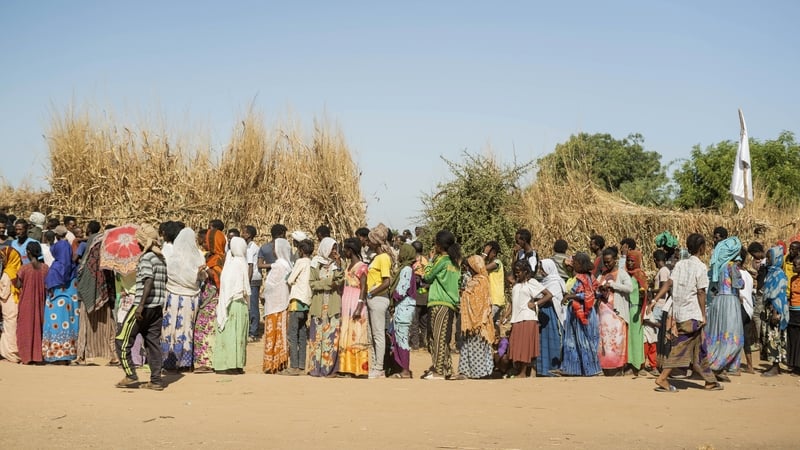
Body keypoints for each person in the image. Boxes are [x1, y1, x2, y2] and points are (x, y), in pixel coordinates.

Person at [652, 233, 722, 392]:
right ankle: (662, 378)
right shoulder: (701, 267)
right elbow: (701, 292)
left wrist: (654, 299)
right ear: (702, 248)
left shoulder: (680, 265)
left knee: (700, 348)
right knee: (681, 347)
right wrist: (703, 314)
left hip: (680, 313)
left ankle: (710, 380)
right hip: (693, 315)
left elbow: (669, 283)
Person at [116, 223, 167, 390]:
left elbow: (148, 280)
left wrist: (140, 306)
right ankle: (156, 380)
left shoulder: (146, 258)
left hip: (142, 307)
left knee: (122, 340)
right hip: (157, 307)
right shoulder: (161, 258)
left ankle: (130, 374)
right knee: (153, 343)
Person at [162, 228, 205, 371]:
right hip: (190, 298)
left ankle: (169, 361)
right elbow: (201, 277)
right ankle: (185, 363)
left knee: (171, 328)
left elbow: (167, 274)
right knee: (187, 327)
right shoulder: (199, 255)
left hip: (172, 296)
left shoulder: (172, 256)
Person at [75, 221, 117, 365]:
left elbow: (82, 265)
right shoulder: (108, 249)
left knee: (87, 322)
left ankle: (83, 355)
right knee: (108, 323)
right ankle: (112, 354)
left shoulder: (94, 243)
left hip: (93, 285)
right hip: (103, 287)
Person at [422, 230, 461, 380]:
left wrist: (430, 261)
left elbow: (428, 276)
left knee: (437, 337)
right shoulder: (455, 263)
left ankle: (438, 371)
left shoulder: (442, 260)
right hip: (450, 303)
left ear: (439, 245)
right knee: (443, 337)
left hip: (438, 302)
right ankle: (447, 368)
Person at [704, 237, 744, 381]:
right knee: (733, 334)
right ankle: (719, 365)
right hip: (730, 301)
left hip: (718, 301)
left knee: (719, 332)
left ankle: (718, 363)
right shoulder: (732, 266)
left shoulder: (718, 266)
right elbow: (739, 284)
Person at [450, 255, 494, 379]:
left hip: (478, 321)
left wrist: (465, 293)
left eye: (469, 266)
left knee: (477, 346)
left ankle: (479, 373)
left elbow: (479, 302)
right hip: (471, 320)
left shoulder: (480, 281)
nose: (468, 269)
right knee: (468, 345)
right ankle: (466, 372)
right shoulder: (479, 280)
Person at [559, 252, 601, 376]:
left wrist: (571, 296)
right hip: (576, 313)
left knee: (583, 341)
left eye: (576, 262)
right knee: (574, 340)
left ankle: (589, 370)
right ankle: (575, 369)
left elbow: (589, 295)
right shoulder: (587, 277)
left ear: (581, 264)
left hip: (583, 313)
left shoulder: (583, 278)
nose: (573, 264)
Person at [508, 259, 552, 377]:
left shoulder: (532, 282)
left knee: (525, 346)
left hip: (527, 317)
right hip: (516, 318)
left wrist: (536, 304)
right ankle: (524, 371)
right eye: (515, 272)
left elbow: (548, 295)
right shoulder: (516, 285)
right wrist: (506, 316)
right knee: (517, 345)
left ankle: (522, 372)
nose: (517, 274)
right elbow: (513, 302)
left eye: (519, 272)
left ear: (526, 271)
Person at [307, 237, 344, 377]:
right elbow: (312, 283)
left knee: (330, 338)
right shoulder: (315, 263)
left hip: (332, 306)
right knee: (317, 339)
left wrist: (339, 264)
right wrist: (328, 283)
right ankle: (315, 368)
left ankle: (328, 369)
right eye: (332, 248)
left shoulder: (338, 264)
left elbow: (340, 281)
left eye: (335, 248)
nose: (334, 251)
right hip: (318, 306)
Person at [43, 226, 79, 364]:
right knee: (70, 321)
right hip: (69, 297)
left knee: (57, 322)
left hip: (58, 305)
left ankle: (59, 355)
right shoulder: (71, 269)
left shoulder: (56, 269)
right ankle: (69, 353)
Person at [213, 236, 250, 374]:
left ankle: (229, 364)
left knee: (232, 334)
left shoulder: (233, 262)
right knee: (236, 335)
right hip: (236, 303)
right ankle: (232, 365)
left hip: (232, 302)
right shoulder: (239, 263)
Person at [193, 227, 226, 374]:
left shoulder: (219, 258)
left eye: (207, 240)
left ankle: (207, 362)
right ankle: (202, 360)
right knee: (202, 328)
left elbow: (217, 276)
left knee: (207, 329)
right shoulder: (210, 257)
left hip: (213, 299)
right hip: (207, 297)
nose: (204, 242)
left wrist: (207, 270)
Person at [596, 246, 632, 375]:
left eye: (609, 261)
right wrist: (600, 290)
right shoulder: (602, 274)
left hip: (616, 314)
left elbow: (629, 288)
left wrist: (612, 285)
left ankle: (618, 367)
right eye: (605, 262)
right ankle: (605, 367)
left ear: (615, 260)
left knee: (616, 341)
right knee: (605, 342)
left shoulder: (622, 273)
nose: (607, 264)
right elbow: (596, 287)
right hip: (603, 314)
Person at [365, 223, 394, 379]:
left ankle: (379, 367)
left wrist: (371, 293)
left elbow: (387, 281)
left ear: (375, 241)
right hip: (374, 299)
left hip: (378, 299)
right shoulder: (378, 257)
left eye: (370, 240)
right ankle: (376, 365)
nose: (368, 243)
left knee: (378, 335)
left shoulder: (383, 258)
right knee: (374, 334)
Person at [338, 238, 370, 377]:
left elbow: (364, 288)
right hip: (347, 302)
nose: (344, 252)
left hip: (356, 302)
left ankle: (359, 368)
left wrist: (359, 306)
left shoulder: (362, 267)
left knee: (357, 334)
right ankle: (347, 368)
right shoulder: (348, 265)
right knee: (346, 332)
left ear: (350, 251)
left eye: (345, 249)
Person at [389, 244, 419, 378]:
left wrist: (392, 298)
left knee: (402, 339)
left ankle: (405, 370)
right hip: (404, 307)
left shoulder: (406, 269)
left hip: (404, 307)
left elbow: (402, 290)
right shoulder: (408, 268)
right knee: (399, 337)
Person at [262, 238, 292, 374]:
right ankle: (280, 362)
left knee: (273, 333)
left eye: (274, 247)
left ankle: (272, 363)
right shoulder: (288, 265)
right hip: (283, 303)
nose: (273, 250)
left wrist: (263, 294)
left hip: (274, 305)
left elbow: (270, 286)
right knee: (282, 333)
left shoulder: (278, 265)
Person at [16, 242, 48, 364]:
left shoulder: (24, 268)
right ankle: (38, 356)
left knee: (25, 328)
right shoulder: (45, 268)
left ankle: (27, 356)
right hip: (41, 302)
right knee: (39, 327)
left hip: (26, 302)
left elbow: (18, 285)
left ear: (28, 252)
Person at [761, 246, 789, 377]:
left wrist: (775, 312)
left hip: (775, 310)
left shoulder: (779, 274)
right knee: (770, 337)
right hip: (770, 309)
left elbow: (778, 295)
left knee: (774, 337)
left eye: (769, 257)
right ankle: (774, 365)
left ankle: (776, 365)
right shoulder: (771, 272)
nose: (767, 259)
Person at [286, 239, 313, 375]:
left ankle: (294, 366)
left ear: (301, 251)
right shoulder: (312, 263)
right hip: (307, 301)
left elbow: (290, 279)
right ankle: (301, 366)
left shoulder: (300, 262)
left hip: (297, 300)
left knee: (292, 333)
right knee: (302, 333)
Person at [538, 258, 565, 377]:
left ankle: (554, 368)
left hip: (552, 314)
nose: (540, 271)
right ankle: (544, 369)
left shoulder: (555, 282)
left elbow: (550, 297)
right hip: (544, 313)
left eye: (542, 268)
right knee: (543, 341)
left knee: (553, 340)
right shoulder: (544, 281)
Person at [625, 249, 647, 376]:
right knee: (628, 338)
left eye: (632, 261)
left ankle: (638, 364)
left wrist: (643, 292)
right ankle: (629, 363)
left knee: (636, 338)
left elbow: (644, 292)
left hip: (635, 310)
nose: (629, 263)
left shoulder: (640, 275)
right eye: (628, 260)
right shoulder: (625, 274)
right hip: (626, 309)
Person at [0, 247, 22, 362]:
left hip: (8, 304)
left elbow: (4, 293)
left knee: (10, 329)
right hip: (15, 303)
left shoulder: (7, 273)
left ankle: (12, 355)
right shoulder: (17, 270)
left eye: (3, 258)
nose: (2, 260)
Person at [737, 248, 755, 374]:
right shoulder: (747, 274)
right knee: (746, 338)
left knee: (736, 336)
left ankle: (734, 365)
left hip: (741, 307)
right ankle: (750, 366)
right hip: (749, 309)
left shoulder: (736, 272)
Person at [242, 225, 262, 342]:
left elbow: (250, 265)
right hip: (253, 278)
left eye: (244, 232)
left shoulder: (251, 248)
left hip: (252, 279)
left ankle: (253, 332)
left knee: (253, 306)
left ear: (249, 235)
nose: (242, 234)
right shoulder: (249, 246)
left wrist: (247, 282)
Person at [747, 241, 766, 353]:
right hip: (761, 291)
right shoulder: (764, 262)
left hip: (762, 292)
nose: (754, 257)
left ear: (758, 252)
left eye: (754, 254)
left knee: (756, 316)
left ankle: (758, 341)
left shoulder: (765, 262)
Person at [410, 240, 429, 350]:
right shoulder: (426, 260)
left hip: (417, 293)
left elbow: (417, 278)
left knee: (415, 320)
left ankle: (415, 343)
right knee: (424, 321)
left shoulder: (416, 262)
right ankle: (424, 342)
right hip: (426, 293)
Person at [482, 241, 505, 328]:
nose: (487, 254)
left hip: (495, 300)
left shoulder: (497, 263)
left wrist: (484, 254)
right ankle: (498, 341)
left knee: (487, 324)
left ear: (494, 252)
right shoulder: (492, 263)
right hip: (495, 300)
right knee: (494, 327)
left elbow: (479, 267)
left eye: (488, 252)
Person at [788, 255, 800, 375]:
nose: (794, 267)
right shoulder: (792, 279)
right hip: (792, 310)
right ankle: (793, 364)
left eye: (796, 265)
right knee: (793, 338)